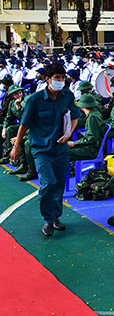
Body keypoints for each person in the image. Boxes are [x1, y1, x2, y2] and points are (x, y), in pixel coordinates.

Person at [10, 62, 81, 237]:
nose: (61, 81)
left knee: (59, 184)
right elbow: (24, 125)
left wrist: (69, 134)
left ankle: (55, 216)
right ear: (47, 79)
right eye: (57, 78)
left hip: (60, 149)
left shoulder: (67, 95)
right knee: (48, 183)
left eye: (63, 78)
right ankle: (48, 220)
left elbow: (75, 117)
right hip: (41, 149)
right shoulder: (35, 100)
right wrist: (16, 146)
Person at [67, 93, 106, 161]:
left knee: (64, 152)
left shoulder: (92, 117)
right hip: (93, 146)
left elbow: (91, 139)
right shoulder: (94, 113)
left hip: (92, 150)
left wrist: (74, 144)